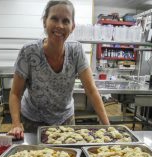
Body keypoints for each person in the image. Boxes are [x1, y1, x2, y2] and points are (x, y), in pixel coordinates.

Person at [8, 0, 110, 140]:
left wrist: (108, 128)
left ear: (72, 26)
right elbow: (15, 93)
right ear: (45, 21)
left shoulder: (76, 51)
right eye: (54, 19)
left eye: (66, 21)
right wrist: (16, 124)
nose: (60, 26)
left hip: (65, 120)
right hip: (33, 120)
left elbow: (91, 90)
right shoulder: (29, 52)